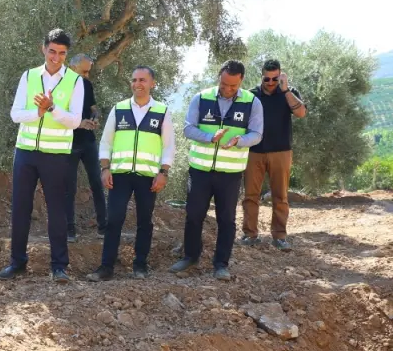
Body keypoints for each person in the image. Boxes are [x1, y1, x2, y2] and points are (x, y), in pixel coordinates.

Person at [0, 28, 85, 283]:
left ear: (67, 55)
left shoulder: (75, 81)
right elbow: (16, 114)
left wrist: (53, 108)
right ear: (43, 49)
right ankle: (17, 263)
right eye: (52, 51)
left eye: (62, 53)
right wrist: (38, 112)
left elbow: (75, 120)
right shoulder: (29, 76)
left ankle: (59, 266)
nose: (56, 57)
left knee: (57, 210)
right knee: (20, 208)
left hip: (56, 155)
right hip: (25, 153)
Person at [172, 60, 264, 281]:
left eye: (233, 86)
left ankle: (221, 264)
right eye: (224, 84)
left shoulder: (252, 102)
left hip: (230, 173)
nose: (228, 89)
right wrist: (209, 138)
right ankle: (190, 256)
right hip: (200, 170)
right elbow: (188, 128)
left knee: (227, 219)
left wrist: (239, 140)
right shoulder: (201, 98)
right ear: (218, 78)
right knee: (194, 215)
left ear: (241, 80)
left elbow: (257, 134)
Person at [87, 66, 173, 281]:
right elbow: (106, 142)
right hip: (120, 175)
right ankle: (106, 267)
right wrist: (105, 168)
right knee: (114, 219)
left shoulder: (162, 111)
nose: (137, 84)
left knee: (145, 221)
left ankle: (140, 265)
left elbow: (169, 146)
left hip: (148, 177)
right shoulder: (119, 109)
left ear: (152, 83)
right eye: (134, 80)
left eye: (142, 80)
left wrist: (163, 172)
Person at [242, 58, 306, 251]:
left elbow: (301, 113)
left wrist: (285, 90)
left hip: (281, 152)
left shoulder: (289, 93)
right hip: (254, 152)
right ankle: (249, 234)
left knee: (280, 195)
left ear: (280, 77)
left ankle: (279, 236)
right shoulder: (251, 95)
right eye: (267, 79)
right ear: (261, 76)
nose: (270, 82)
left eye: (274, 79)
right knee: (251, 195)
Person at [64, 53, 106, 241]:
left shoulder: (87, 84)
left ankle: (103, 227)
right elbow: (56, 115)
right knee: (69, 187)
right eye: (85, 71)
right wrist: (78, 123)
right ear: (73, 68)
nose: (87, 75)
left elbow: (93, 107)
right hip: (68, 142)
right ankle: (69, 230)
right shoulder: (62, 86)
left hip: (88, 140)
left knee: (97, 182)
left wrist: (95, 118)